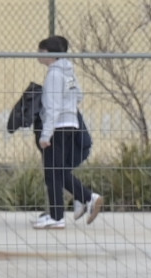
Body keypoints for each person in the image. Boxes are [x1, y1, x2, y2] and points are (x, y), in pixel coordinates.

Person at [33, 36, 103, 230]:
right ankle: (63, 211)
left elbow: (53, 107)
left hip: (58, 127)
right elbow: (78, 95)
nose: (38, 55)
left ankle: (82, 201)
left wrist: (46, 135)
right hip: (70, 124)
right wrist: (69, 105)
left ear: (49, 54)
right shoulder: (68, 72)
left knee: (54, 171)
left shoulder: (54, 74)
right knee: (56, 171)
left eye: (41, 51)